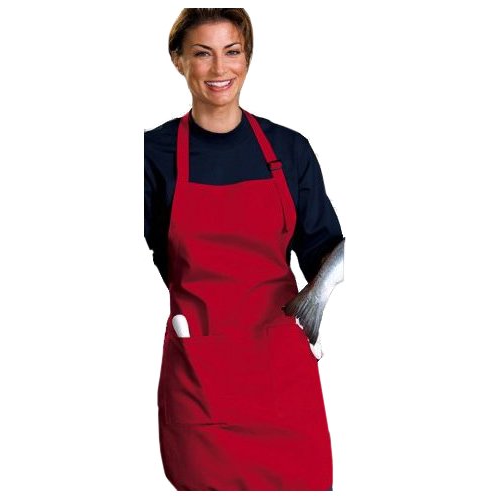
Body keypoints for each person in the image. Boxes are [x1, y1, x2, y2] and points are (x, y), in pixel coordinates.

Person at [144, 8, 344, 491]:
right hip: (200, 374)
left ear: (247, 58)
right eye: (202, 54)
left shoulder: (290, 150)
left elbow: (325, 248)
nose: (219, 69)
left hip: (281, 373)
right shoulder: (152, 153)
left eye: (232, 52)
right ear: (178, 60)